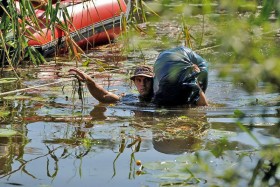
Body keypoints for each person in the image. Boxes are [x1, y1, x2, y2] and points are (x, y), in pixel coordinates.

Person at [69, 46, 209, 106]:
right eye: (138, 80)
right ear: (134, 82)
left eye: (146, 80)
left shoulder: (170, 96)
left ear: (154, 81)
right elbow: (104, 96)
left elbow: (203, 105)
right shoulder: (132, 99)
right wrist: (88, 81)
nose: (142, 84)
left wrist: (193, 80)